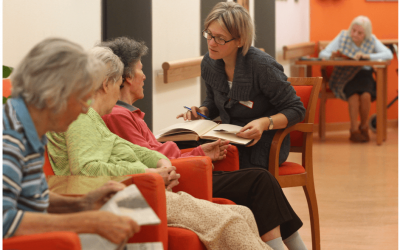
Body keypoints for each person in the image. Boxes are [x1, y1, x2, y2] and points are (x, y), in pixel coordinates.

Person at [46, 46, 276, 250]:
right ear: (106, 84)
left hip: (141, 190)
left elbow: (126, 147)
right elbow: (85, 169)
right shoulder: (80, 117)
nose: (117, 95)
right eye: (118, 86)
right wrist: (148, 174)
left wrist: (160, 162)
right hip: (125, 197)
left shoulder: (92, 117)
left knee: (241, 213)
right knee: (230, 222)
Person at [101, 37, 307, 250]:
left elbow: (152, 155)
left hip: (182, 168)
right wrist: (197, 153)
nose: (145, 76)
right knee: (260, 181)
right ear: (125, 78)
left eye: (219, 37)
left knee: (260, 182)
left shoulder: (128, 113)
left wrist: (200, 150)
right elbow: (152, 160)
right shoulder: (118, 116)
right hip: (176, 177)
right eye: (140, 70)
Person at [2, 38, 140, 244]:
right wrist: (87, 222)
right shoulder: (9, 141)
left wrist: (82, 204)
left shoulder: (29, 128)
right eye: (82, 98)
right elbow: (4, 221)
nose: (86, 109)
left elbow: (35, 197)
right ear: (52, 96)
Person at [177, 2, 306, 174]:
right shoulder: (209, 63)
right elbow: (214, 100)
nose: (212, 43)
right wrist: (202, 110)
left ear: (240, 40)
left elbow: (296, 109)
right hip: (227, 137)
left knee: (215, 167)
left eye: (220, 38)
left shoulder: (262, 66)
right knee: (182, 153)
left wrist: (263, 123)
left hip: (263, 143)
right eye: (209, 34)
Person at [318, 15, 393, 142]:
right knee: (353, 96)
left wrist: (367, 56)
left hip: (365, 75)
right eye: (353, 30)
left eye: (360, 33)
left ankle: (363, 127)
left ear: (366, 34)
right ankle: (353, 130)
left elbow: (388, 54)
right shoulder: (343, 36)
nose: (355, 34)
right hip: (344, 76)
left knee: (366, 96)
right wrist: (332, 55)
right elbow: (322, 54)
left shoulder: (372, 40)